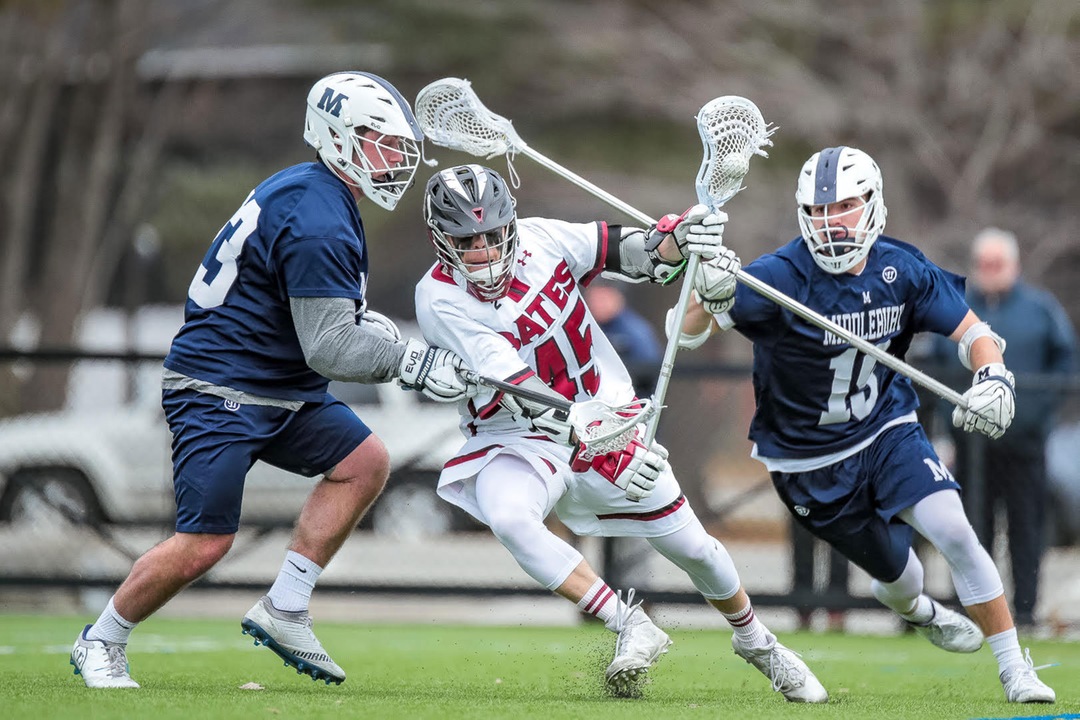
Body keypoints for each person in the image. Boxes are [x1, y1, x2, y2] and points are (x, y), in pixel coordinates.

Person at [69, 72, 472, 689]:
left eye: (397, 147)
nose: (394, 161)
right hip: (220, 387)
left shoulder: (320, 195)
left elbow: (321, 317)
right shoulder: (318, 215)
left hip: (278, 384)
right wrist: (411, 363)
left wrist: (386, 336)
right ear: (337, 138)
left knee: (365, 462)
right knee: (205, 543)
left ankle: (285, 606)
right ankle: (101, 639)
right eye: (380, 143)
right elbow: (332, 346)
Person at [413, 163, 828, 702]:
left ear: (511, 224)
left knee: (695, 549)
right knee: (510, 514)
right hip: (515, 431)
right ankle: (629, 623)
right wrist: (576, 425)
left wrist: (674, 243)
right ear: (442, 241)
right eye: (469, 241)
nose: (487, 251)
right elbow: (507, 376)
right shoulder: (439, 297)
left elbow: (626, 251)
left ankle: (757, 641)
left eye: (494, 234)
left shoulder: (543, 239)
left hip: (605, 413)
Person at [669, 146, 1056, 704]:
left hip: (886, 429)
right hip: (808, 461)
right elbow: (683, 333)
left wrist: (993, 375)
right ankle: (917, 610)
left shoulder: (901, 267)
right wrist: (704, 286)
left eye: (845, 206)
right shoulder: (779, 275)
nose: (831, 220)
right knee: (903, 583)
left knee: (953, 528)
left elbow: (975, 333)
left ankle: (1015, 669)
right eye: (819, 209)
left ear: (873, 203)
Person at [945, 228, 1076, 629]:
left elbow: (1064, 362)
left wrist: (1037, 413)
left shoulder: (1041, 309)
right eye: (983, 264)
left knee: (1026, 530)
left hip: (1024, 446)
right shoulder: (958, 307)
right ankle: (974, 613)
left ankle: (1025, 611)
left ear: (1014, 266)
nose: (990, 272)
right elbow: (935, 361)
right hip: (970, 445)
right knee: (969, 532)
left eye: (997, 264)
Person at [583, 279, 663, 596]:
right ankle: (596, 596)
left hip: (632, 442)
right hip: (590, 445)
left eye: (604, 293)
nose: (596, 299)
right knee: (593, 524)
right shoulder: (584, 327)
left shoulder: (634, 331)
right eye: (593, 292)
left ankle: (636, 595)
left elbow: (649, 374)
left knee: (634, 518)